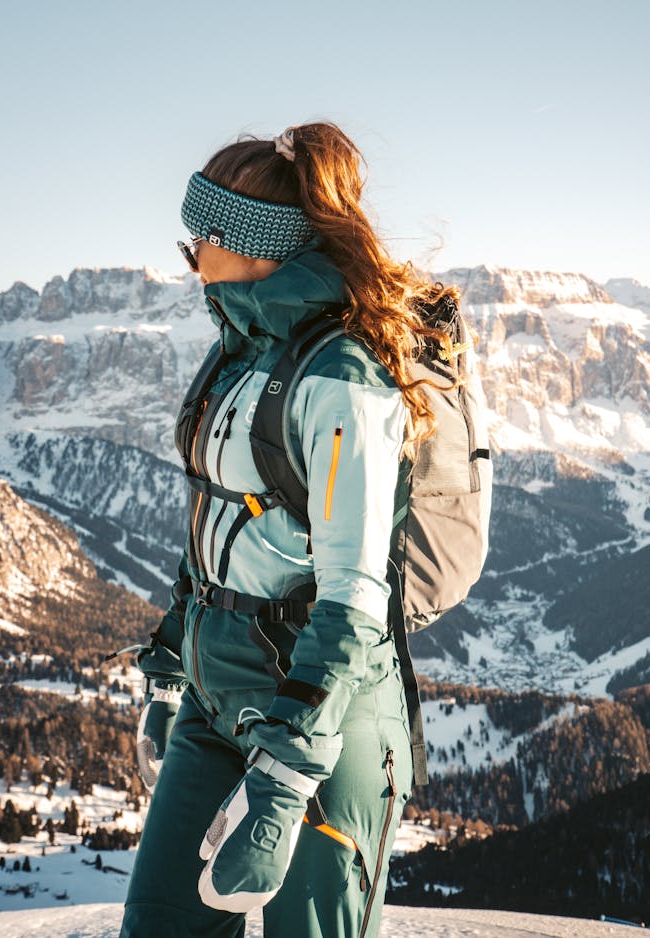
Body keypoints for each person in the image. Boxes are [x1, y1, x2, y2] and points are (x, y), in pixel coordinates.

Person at [121, 121, 458, 938]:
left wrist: (282, 781)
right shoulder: (240, 351)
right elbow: (222, 525)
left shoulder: (342, 380)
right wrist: (176, 657)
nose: (188, 254)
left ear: (255, 245)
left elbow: (353, 595)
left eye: (200, 235)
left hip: (325, 724)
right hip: (217, 699)